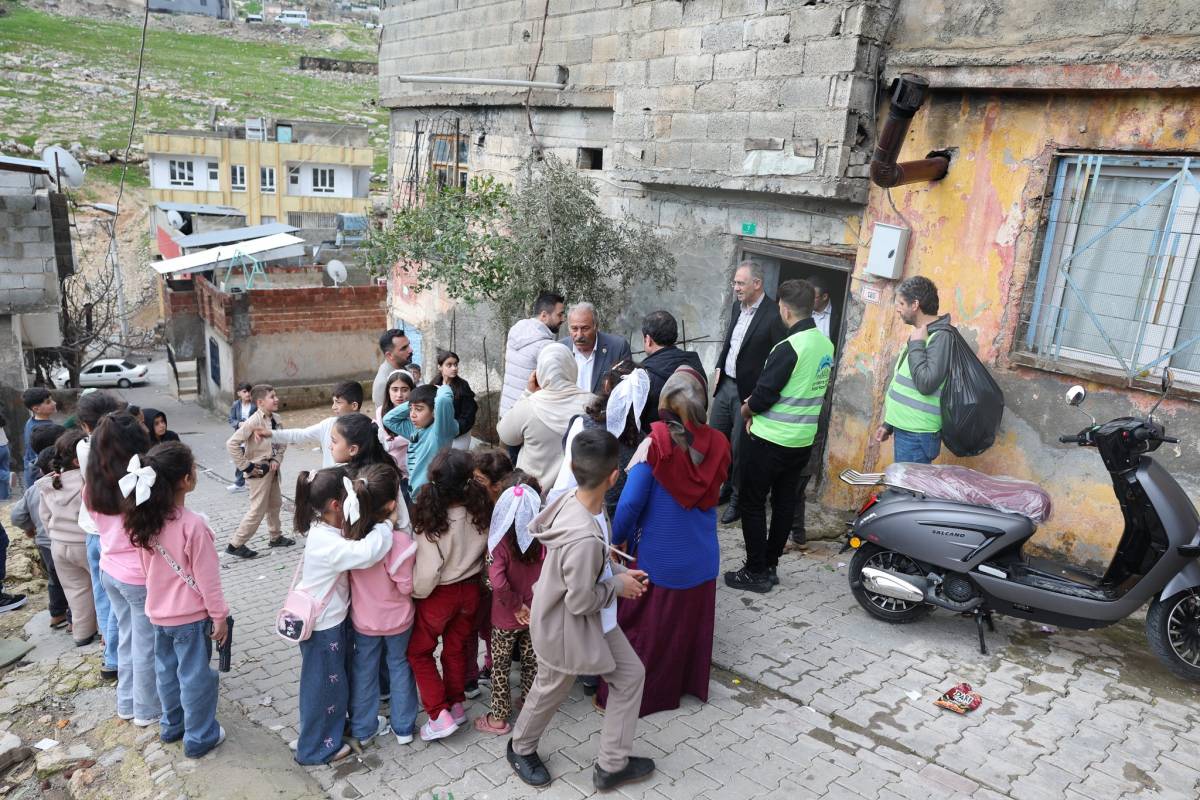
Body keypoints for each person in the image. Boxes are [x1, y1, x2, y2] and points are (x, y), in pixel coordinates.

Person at [507, 429, 653, 791]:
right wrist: (617, 586)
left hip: (592, 623)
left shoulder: (581, 500)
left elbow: (595, 563)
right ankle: (520, 747)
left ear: (572, 466)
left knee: (630, 675)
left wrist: (617, 571)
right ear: (614, 476)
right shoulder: (583, 535)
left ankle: (611, 765)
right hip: (566, 626)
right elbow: (579, 600)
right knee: (551, 688)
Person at [598, 366, 728, 716]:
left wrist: (618, 539)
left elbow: (629, 502)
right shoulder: (719, 443)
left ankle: (640, 698)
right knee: (685, 631)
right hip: (702, 559)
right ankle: (684, 686)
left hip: (659, 559)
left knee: (643, 633)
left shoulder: (656, 442)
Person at [726, 279, 834, 593]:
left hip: (769, 439)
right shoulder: (824, 345)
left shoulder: (789, 347)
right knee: (785, 503)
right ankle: (770, 566)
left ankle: (755, 570)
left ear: (784, 309)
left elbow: (763, 395)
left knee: (753, 502)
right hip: (802, 441)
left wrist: (745, 412)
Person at [125, 442, 230, 759]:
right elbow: (208, 580)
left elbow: (147, 571)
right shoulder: (193, 525)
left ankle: (173, 726)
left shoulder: (145, 519)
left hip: (158, 615)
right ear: (185, 479)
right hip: (191, 618)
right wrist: (220, 616)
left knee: (167, 674)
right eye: (194, 467)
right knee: (196, 678)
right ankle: (200, 736)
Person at [290, 467, 392, 765]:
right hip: (324, 629)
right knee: (323, 689)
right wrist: (386, 527)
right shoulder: (327, 542)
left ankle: (327, 733)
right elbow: (366, 553)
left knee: (332, 685)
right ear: (337, 505)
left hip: (330, 625)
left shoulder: (327, 531)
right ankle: (314, 750)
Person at [407, 449, 490, 741]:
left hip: (439, 595)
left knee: (419, 651)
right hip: (471, 591)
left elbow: (428, 572)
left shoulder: (432, 518)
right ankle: (456, 706)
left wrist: (415, 594)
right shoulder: (479, 510)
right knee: (455, 649)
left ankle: (438, 714)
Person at [88, 412, 160, 726]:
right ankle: (145, 711)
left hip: (110, 571)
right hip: (137, 577)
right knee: (144, 646)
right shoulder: (138, 485)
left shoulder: (93, 485)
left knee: (128, 641)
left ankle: (127, 702)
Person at [345, 463, 420, 750]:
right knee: (400, 666)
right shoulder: (399, 541)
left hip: (364, 620)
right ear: (392, 504)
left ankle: (364, 728)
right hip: (398, 620)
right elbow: (405, 585)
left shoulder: (351, 537)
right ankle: (403, 728)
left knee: (364, 669)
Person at [709, 261, 788, 524]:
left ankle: (738, 501)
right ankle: (724, 488)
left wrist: (758, 397)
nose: (736, 288)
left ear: (757, 283)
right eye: (735, 283)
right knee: (716, 440)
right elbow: (730, 343)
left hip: (748, 394)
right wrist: (720, 366)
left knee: (740, 449)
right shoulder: (736, 308)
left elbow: (778, 359)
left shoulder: (773, 314)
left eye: (741, 283)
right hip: (725, 386)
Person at [475, 474, 544, 735]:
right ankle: (529, 704)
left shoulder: (499, 542)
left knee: (501, 668)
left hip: (505, 617)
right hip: (535, 612)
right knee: (531, 662)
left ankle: (498, 718)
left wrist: (515, 605)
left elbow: (497, 580)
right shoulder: (542, 536)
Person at [549, 360, 647, 518]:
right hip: (622, 521)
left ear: (607, 385)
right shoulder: (643, 439)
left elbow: (566, 481)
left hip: (584, 515)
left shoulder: (583, 424)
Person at [874, 276, 953, 465]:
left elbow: (926, 384)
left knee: (906, 493)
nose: (898, 308)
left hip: (917, 434)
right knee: (901, 490)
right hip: (906, 428)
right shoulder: (924, 333)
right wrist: (889, 423)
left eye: (901, 303)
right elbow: (906, 384)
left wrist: (917, 344)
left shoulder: (940, 337)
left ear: (915, 304)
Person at [76, 391, 125, 678]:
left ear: (84, 424)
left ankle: (110, 657)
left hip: (91, 528)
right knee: (119, 597)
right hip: (113, 531)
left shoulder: (83, 447)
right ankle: (118, 657)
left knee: (102, 594)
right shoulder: (115, 447)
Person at [497, 344, 593, 489]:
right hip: (575, 498)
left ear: (540, 371)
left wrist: (527, 393)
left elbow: (505, 435)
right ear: (572, 367)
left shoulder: (529, 405)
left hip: (533, 495)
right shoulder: (593, 404)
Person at [790, 275, 838, 554]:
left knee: (796, 484)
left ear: (824, 298)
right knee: (793, 486)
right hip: (800, 416)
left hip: (808, 415)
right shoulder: (794, 338)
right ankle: (796, 534)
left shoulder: (834, 323)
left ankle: (795, 535)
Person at [37, 430, 96, 647]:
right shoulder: (86, 482)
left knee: (75, 590)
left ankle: (82, 633)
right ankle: (106, 633)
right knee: (100, 589)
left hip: (59, 545)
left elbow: (45, 517)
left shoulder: (50, 483)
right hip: (85, 543)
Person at [224, 385, 291, 559]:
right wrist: (246, 466)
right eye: (272, 397)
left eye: (276, 395)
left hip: (273, 470)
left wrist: (277, 460)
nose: (276, 399)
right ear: (260, 402)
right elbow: (231, 444)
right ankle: (235, 544)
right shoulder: (253, 421)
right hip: (258, 472)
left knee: (275, 504)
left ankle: (275, 537)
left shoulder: (276, 418)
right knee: (257, 510)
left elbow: (282, 441)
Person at [11, 429, 68, 624]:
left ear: (41, 470)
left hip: (45, 543)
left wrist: (30, 527)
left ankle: (56, 614)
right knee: (74, 582)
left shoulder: (34, 489)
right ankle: (73, 619)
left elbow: (16, 515)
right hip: (67, 541)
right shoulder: (70, 484)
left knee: (54, 579)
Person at [254, 381, 363, 468]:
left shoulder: (366, 428)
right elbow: (300, 434)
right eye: (333, 402)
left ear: (354, 406)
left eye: (338, 402)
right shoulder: (328, 425)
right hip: (330, 483)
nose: (333, 407)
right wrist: (271, 434)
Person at [500, 291, 566, 417]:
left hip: (508, 410)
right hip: (527, 416)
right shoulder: (544, 345)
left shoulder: (517, 331)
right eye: (560, 314)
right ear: (544, 315)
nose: (563, 319)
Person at [381, 383, 457, 491]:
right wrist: (414, 401)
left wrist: (441, 388)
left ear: (435, 410)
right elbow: (388, 419)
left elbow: (443, 400)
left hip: (432, 496)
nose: (412, 414)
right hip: (415, 493)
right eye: (410, 409)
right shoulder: (415, 429)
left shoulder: (440, 431)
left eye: (419, 409)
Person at [638, 311, 704, 434]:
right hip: (694, 441)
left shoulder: (643, 376)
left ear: (648, 339)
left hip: (658, 445)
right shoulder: (694, 365)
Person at [563, 303, 633, 394]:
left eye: (585, 328)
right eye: (574, 329)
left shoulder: (618, 347)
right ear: (569, 328)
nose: (579, 335)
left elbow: (626, 389)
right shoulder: (560, 349)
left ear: (596, 326)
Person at [432, 350, 478, 450]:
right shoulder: (433, 384)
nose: (454, 368)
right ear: (440, 367)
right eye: (449, 365)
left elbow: (469, 413)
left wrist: (456, 429)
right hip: (438, 434)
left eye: (456, 364)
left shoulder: (463, 386)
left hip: (459, 435)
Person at [21, 387, 57, 490]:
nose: (54, 403)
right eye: (48, 402)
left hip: (31, 470)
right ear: (36, 409)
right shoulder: (45, 429)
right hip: (40, 475)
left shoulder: (30, 422)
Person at [371, 329, 414, 410]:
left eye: (408, 345)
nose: (410, 350)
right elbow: (384, 417)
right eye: (404, 348)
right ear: (389, 355)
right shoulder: (383, 382)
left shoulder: (403, 367)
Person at [226, 383, 256, 493]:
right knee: (240, 459)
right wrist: (238, 424)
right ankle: (240, 483)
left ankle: (254, 483)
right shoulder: (236, 405)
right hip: (240, 436)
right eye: (244, 391)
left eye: (249, 391)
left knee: (253, 460)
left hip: (253, 437)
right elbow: (231, 419)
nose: (247, 394)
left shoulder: (255, 405)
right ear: (239, 393)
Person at [0, 408, 10, 501]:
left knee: (3, 473)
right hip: (4, 447)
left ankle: (8, 476)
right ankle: (4, 497)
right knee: (3, 468)